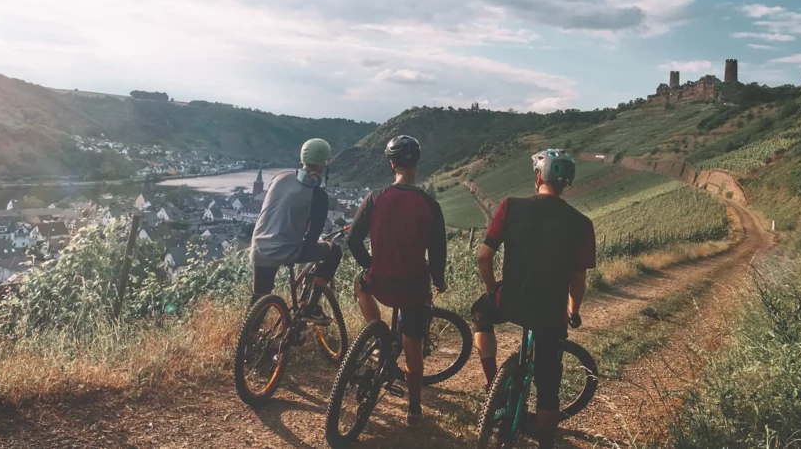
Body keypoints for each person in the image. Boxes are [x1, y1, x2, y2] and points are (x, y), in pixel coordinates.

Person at [470, 149, 596, 449]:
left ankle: (492, 385)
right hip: (551, 313)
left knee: (480, 313)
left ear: (538, 176)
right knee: (549, 386)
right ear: (566, 183)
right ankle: (546, 444)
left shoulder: (511, 206)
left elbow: (483, 257)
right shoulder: (581, 223)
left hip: (511, 300)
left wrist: (492, 290)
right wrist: (572, 310)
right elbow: (578, 280)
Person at [347, 134, 447, 428]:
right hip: (414, 290)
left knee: (359, 284)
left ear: (392, 164)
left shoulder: (375, 198)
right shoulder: (430, 205)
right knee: (414, 351)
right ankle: (414, 408)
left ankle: (378, 333)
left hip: (379, 282)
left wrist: (371, 265)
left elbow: (353, 240)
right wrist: (438, 281)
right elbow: (438, 254)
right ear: (416, 163)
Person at [249, 138, 343, 316]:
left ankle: (248, 340)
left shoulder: (280, 178)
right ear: (324, 165)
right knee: (334, 251)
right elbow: (313, 237)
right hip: (286, 250)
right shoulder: (319, 195)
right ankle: (311, 308)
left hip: (259, 247)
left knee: (259, 299)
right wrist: (316, 244)